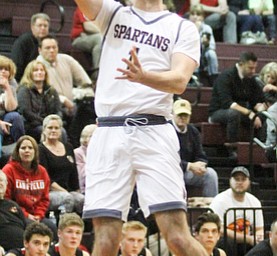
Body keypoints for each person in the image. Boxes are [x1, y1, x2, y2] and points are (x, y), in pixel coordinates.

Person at [75, 0, 208, 255]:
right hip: (109, 130)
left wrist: (143, 76)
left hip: (154, 129)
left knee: (177, 237)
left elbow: (180, 81)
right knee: (105, 241)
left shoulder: (181, 27)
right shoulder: (114, 13)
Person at [37, 35, 95, 146]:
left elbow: (85, 82)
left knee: (89, 104)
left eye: (54, 47)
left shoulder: (66, 59)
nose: (52, 50)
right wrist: (63, 100)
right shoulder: (38, 66)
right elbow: (46, 92)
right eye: (48, 48)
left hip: (73, 103)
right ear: (40, 50)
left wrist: (79, 94)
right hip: (53, 107)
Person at [208, 51, 266, 157]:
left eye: (254, 68)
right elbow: (227, 103)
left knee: (263, 116)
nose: (253, 71)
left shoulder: (250, 79)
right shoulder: (226, 76)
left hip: (241, 113)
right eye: (250, 68)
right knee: (234, 113)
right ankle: (232, 149)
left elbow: (258, 99)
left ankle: (261, 148)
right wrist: (249, 112)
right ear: (241, 64)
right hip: (218, 112)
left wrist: (260, 107)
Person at [2, 135, 58, 240]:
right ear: (17, 151)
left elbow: (45, 199)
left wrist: (38, 215)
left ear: (35, 151)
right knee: (32, 230)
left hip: (38, 216)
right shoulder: (9, 170)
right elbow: (7, 200)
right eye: (23, 148)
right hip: (17, 216)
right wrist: (26, 215)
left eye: (30, 148)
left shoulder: (42, 171)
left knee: (52, 228)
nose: (27, 151)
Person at [209, 166, 264, 256]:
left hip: (247, 243)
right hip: (226, 242)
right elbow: (219, 229)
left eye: (243, 179)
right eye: (236, 179)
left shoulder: (255, 201)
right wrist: (248, 239)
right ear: (230, 181)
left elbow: (259, 229)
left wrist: (258, 238)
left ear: (249, 182)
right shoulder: (220, 200)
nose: (239, 182)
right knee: (227, 241)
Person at [172, 99, 218, 197]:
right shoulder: (167, 130)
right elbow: (167, 160)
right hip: (170, 172)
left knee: (210, 174)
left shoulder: (193, 131)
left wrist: (201, 165)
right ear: (172, 114)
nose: (182, 118)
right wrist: (189, 166)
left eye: (185, 115)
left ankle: (211, 209)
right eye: (179, 115)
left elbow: (201, 155)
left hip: (188, 172)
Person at [39, 114, 84, 214]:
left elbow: (74, 173)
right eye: (50, 128)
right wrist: (64, 192)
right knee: (67, 198)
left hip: (67, 190)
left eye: (56, 128)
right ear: (44, 130)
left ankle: (83, 227)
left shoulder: (68, 147)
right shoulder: (40, 149)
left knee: (82, 199)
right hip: (49, 192)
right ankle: (63, 226)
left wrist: (77, 191)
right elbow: (46, 178)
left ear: (60, 131)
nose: (53, 130)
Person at [17, 60, 65, 143]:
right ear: (30, 73)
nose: (39, 72)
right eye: (36, 70)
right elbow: (26, 112)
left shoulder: (51, 90)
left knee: (62, 132)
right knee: (44, 131)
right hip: (32, 125)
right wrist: (45, 122)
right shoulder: (24, 90)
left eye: (42, 70)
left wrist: (56, 121)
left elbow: (58, 110)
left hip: (50, 123)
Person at [11, 13, 50, 82]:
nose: (43, 28)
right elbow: (17, 66)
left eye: (45, 26)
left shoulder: (50, 42)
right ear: (32, 27)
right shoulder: (22, 42)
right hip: (25, 80)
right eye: (40, 25)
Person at [0, 56, 25, 155]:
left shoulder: (12, 83)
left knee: (15, 117)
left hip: (5, 116)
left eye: (6, 69)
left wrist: (7, 88)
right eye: (0, 69)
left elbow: (11, 108)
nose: (3, 72)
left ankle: (20, 147)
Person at [189, 4, 219, 86]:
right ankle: (195, 78)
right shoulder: (186, 28)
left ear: (202, 17)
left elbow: (212, 46)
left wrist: (206, 43)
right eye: (192, 14)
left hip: (204, 56)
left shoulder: (207, 28)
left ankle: (213, 79)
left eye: (198, 14)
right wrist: (196, 30)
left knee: (211, 54)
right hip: (189, 55)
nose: (195, 17)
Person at [71, 6, 102, 81]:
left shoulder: (102, 8)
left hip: (93, 37)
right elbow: (88, 26)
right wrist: (105, 32)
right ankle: (97, 72)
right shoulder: (84, 6)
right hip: (80, 38)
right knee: (100, 38)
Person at [0, 170, 26, 252]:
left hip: (23, 250)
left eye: (1, 180)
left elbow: (25, 226)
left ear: (6, 184)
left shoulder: (13, 205)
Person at [74, 124, 97, 194]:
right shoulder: (78, 153)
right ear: (85, 138)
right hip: (84, 189)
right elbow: (81, 175)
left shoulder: (100, 152)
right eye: (93, 136)